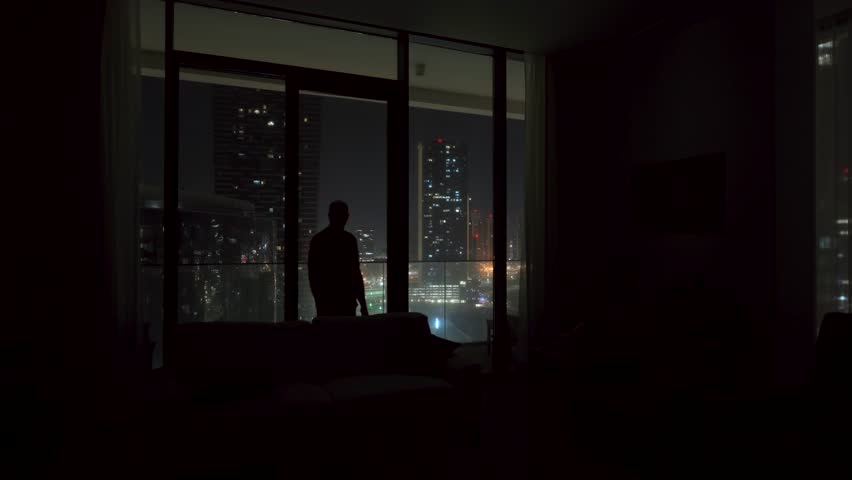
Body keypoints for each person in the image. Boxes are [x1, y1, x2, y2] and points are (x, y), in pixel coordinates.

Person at [308, 201, 368, 317]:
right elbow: (355, 274)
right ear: (346, 217)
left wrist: (319, 300)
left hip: (326, 303)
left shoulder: (318, 240)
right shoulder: (350, 240)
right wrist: (363, 305)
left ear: (329, 216)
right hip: (347, 301)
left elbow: (313, 275)